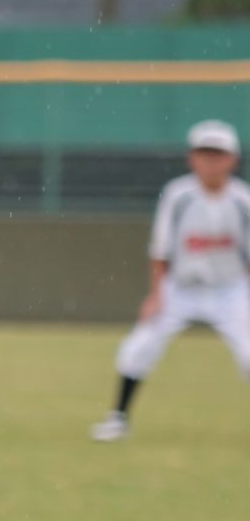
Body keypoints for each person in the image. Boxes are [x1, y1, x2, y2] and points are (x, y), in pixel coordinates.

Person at [91, 119, 250, 441]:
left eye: (218, 154)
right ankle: (118, 418)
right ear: (191, 157)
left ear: (233, 159)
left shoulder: (243, 200)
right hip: (181, 288)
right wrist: (156, 296)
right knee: (139, 347)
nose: (211, 161)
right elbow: (161, 250)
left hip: (230, 290)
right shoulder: (178, 194)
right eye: (204, 153)